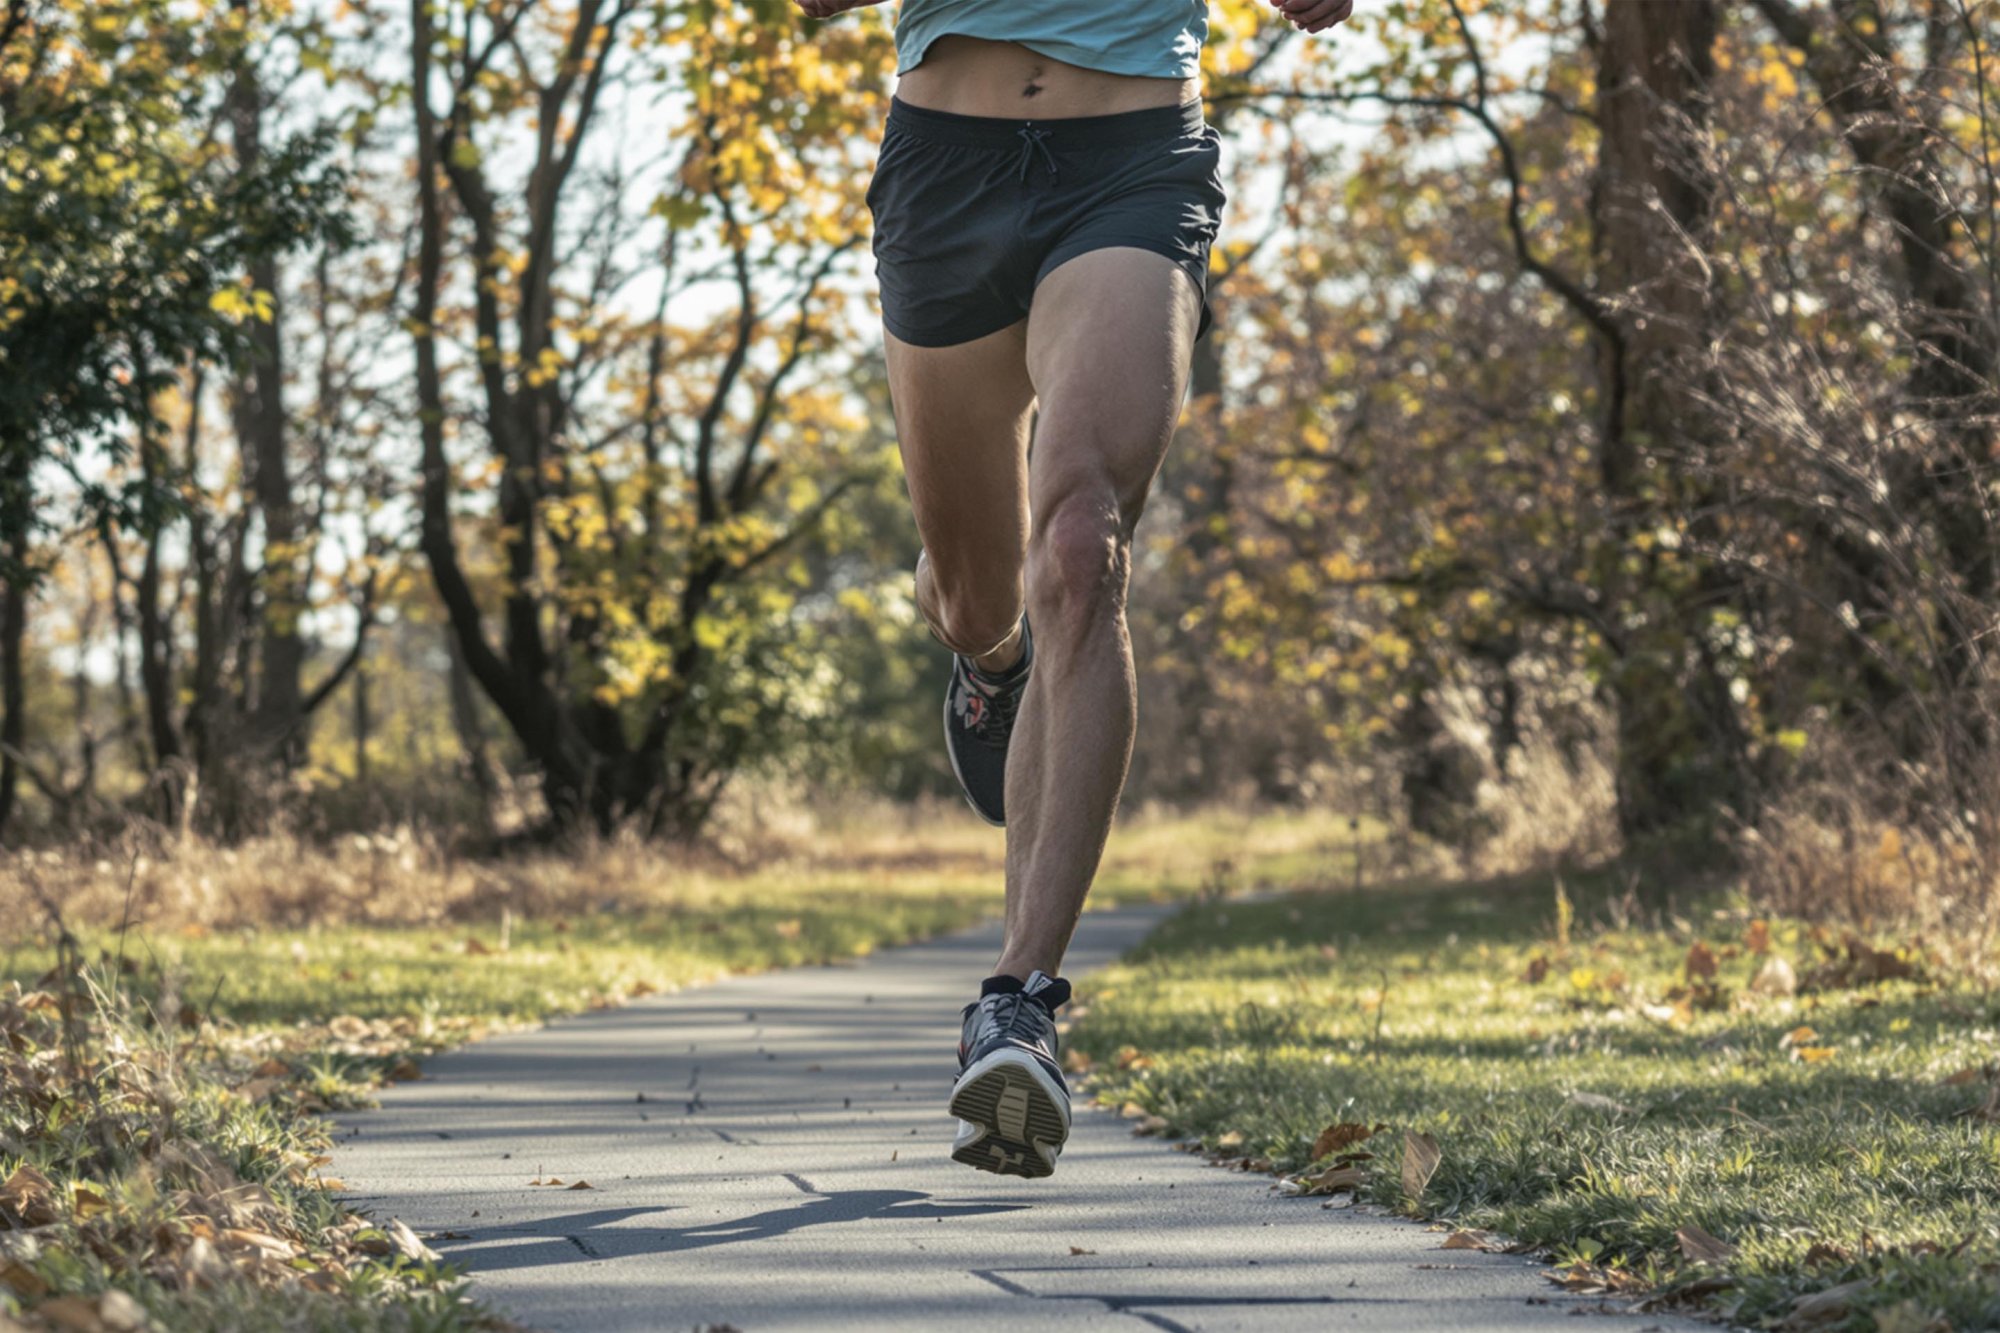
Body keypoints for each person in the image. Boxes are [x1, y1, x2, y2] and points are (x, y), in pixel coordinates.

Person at [792, 0, 1356, 1179]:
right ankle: (988, 664)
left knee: (1080, 546)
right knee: (974, 593)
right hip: (943, 166)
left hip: (1131, 163)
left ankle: (1019, 1004)